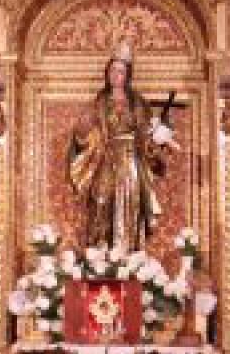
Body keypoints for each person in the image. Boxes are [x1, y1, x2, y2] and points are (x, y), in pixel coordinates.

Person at [68, 40, 177, 252]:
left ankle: (128, 253)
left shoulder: (137, 103)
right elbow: (85, 134)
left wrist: (158, 139)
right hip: (105, 157)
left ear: (127, 75)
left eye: (120, 71)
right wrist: (82, 130)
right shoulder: (100, 102)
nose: (115, 75)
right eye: (112, 71)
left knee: (130, 202)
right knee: (101, 199)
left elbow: (145, 134)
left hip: (130, 159)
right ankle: (100, 252)